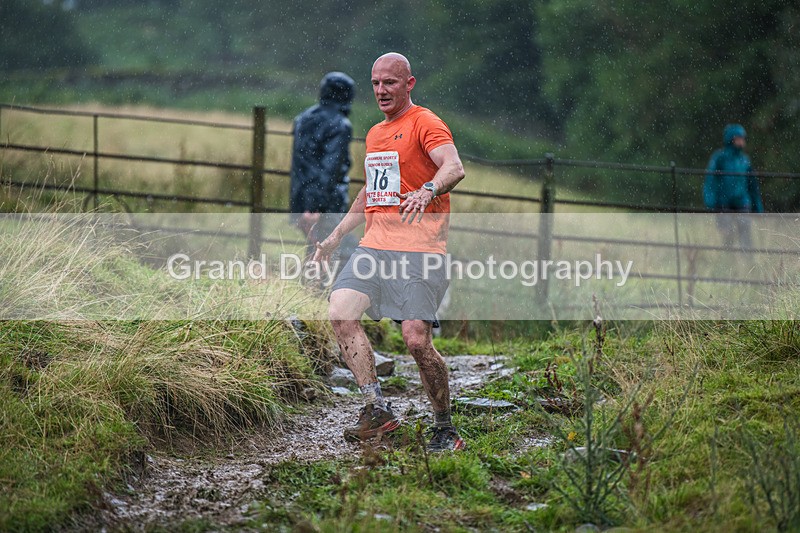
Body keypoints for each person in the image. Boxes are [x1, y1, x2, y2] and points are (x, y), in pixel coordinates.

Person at [312, 53, 467, 452]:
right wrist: (335, 237)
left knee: (416, 341)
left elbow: (453, 167)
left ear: (409, 83)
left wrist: (428, 189)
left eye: (390, 83)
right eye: (376, 83)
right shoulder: (375, 134)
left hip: (421, 250)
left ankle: (444, 427)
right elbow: (370, 194)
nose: (381, 90)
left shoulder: (426, 123)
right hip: (374, 248)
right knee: (341, 311)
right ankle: (377, 409)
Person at [290, 71, 358, 265]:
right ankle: (327, 290)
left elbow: (302, 166)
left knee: (317, 246)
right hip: (326, 202)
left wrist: (305, 205)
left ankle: (313, 290)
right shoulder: (340, 124)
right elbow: (329, 169)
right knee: (337, 248)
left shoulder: (303, 118)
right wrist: (315, 206)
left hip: (301, 198)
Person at [703, 123, 764, 250]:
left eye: (743, 138)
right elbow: (710, 180)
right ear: (731, 139)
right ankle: (729, 263)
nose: (742, 141)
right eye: (738, 138)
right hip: (723, 204)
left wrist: (757, 207)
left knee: (745, 235)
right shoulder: (720, 158)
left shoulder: (745, 160)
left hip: (742, 203)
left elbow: (752, 186)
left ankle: (748, 265)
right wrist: (711, 201)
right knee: (727, 236)